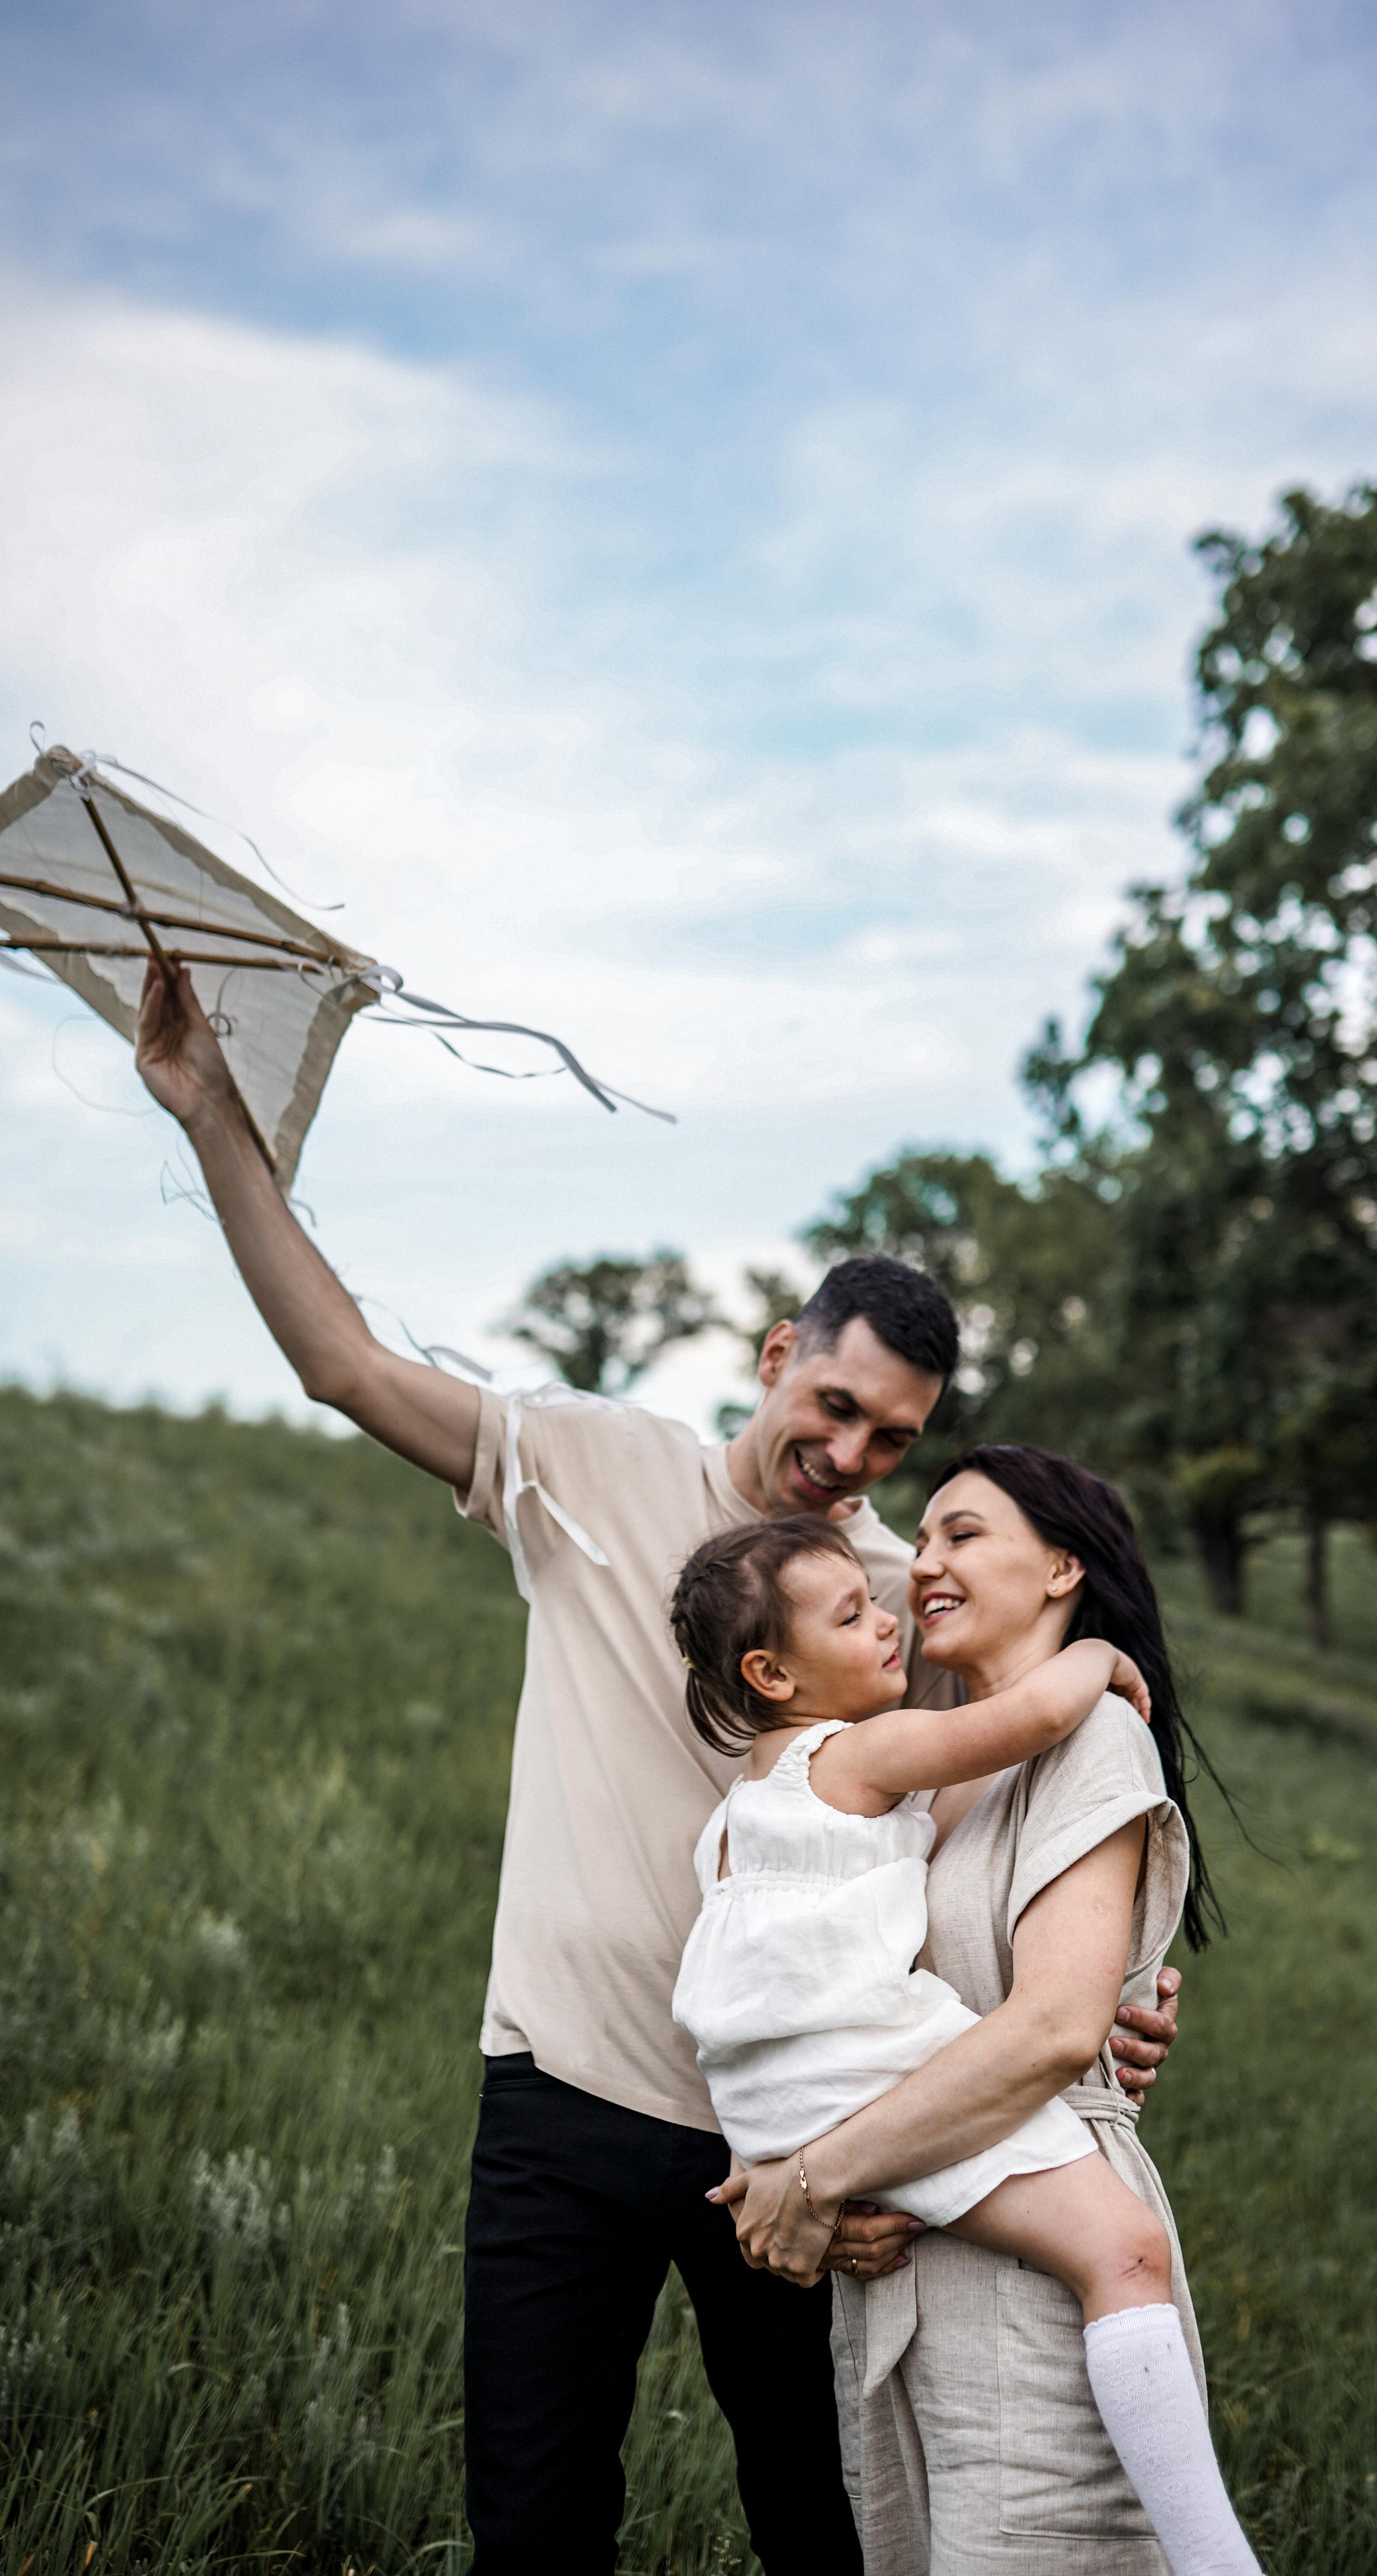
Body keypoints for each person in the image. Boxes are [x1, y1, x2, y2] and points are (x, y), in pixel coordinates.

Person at [129, 958, 1186, 2575]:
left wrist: (1109, 1994)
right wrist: (217, 1121)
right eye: (832, 1407)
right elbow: (342, 1365)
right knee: (538, 2530)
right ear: (777, 1352)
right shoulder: (592, 1466)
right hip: (556, 2100)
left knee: (822, 2530)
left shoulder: (905, 1592)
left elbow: (1032, 1803)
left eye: (891, 1440)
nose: (846, 1461)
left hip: (807, 2140)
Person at [669, 1515, 1260, 2573]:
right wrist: (1100, 1654)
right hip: (866, 2076)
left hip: (776, 2104)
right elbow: (1035, 1715)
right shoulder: (863, 1754)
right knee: (1124, 2251)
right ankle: (1220, 2562)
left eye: (963, 1532)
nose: (893, 1609)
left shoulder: (734, 1819)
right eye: (852, 1615)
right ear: (771, 1671)